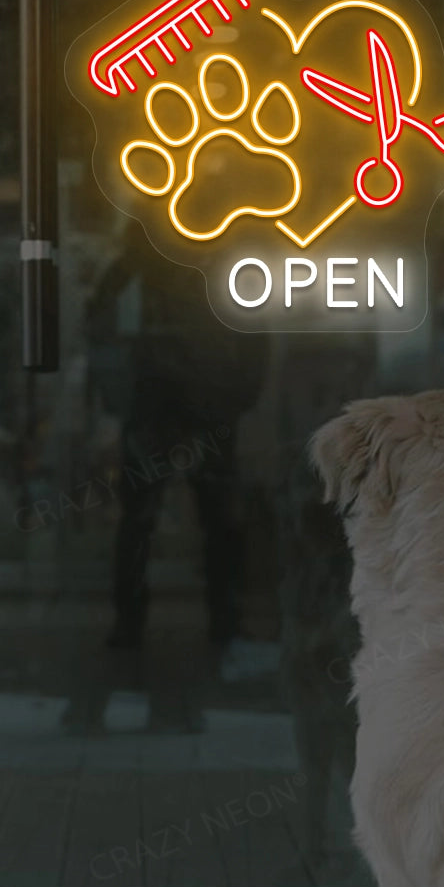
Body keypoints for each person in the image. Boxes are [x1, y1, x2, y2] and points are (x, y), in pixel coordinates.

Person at [88, 221, 267, 649]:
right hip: (179, 403)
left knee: (174, 520)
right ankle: (218, 624)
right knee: (201, 520)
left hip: (176, 403)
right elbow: (256, 330)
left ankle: (155, 625)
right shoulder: (199, 257)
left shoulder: (150, 260)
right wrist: (240, 393)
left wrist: (240, 393)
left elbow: (100, 321)